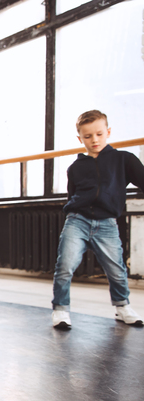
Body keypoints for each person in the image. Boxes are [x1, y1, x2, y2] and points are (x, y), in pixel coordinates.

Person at [51, 110, 144, 329]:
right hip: (78, 220)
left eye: (99, 134)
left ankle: (122, 307)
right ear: (80, 138)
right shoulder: (75, 167)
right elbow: (72, 194)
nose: (94, 140)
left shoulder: (124, 159)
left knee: (117, 269)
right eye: (88, 136)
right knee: (65, 266)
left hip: (107, 223)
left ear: (108, 132)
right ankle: (60, 311)